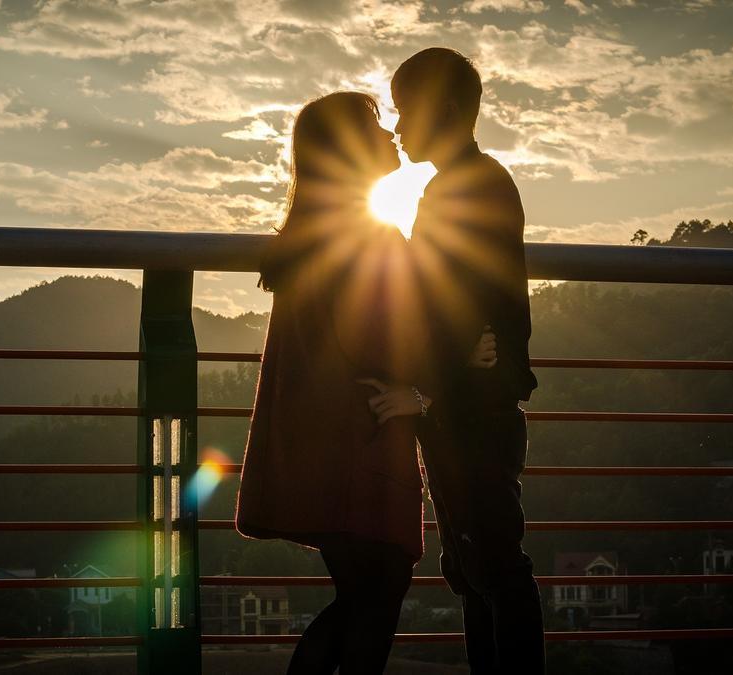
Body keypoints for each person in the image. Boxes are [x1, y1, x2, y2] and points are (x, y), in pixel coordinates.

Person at [234, 90, 495, 675]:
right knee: (375, 596)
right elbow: (383, 336)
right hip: (360, 438)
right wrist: (448, 369)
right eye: (375, 126)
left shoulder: (316, 231)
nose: (389, 135)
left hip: (325, 439)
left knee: (363, 596)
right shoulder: (364, 234)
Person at [365, 47, 546, 673]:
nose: (397, 126)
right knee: (476, 569)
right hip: (467, 404)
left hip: (473, 410)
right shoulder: (466, 182)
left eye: (404, 109)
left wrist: (430, 389)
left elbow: (457, 298)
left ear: (442, 108)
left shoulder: (467, 187)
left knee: (492, 565)